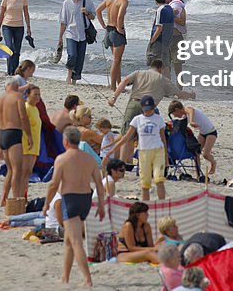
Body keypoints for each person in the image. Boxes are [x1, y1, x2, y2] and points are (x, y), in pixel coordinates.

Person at [42, 125, 105, 286]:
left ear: (65, 141)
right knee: (69, 242)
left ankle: (87, 279)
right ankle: (65, 276)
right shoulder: (89, 159)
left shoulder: (62, 159)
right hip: (86, 199)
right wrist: (101, 206)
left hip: (70, 200)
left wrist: (46, 204)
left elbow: (53, 184)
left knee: (76, 241)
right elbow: (99, 183)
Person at [110, 59, 195, 162]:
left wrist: (114, 97)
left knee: (127, 135)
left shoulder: (139, 73)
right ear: (160, 69)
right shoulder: (163, 79)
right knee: (146, 136)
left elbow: (124, 81)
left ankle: (124, 163)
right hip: (149, 110)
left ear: (151, 66)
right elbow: (179, 94)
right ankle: (138, 162)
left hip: (133, 104)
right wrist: (191, 95)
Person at [109, 95, 168, 201]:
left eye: (149, 110)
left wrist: (166, 157)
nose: (147, 112)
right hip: (144, 152)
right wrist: (113, 149)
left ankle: (161, 203)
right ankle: (145, 204)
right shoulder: (137, 119)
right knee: (145, 183)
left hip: (158, 151)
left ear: (153, 108)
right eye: (145, 110)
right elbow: (126, 137)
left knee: (159, 179)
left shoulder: (158, 119)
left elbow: (163, 139)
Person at [0, 77, 32, 208]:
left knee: (10, 170)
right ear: (16, 86)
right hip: (14, 132)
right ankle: (17, 200)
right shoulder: (18, 97)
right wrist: (29, 135)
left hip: (2, 135)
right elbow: (23, 117)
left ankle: (4, 199)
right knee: (17, 170)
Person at [96, 0, 130, 90]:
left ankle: (119, 83)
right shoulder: (123, 1)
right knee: (116, 61)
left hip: (109, 30)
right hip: (116, 31)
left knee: (117, 59)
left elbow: (98, 10)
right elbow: (120, 16)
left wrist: (103, 24)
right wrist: (120, 28)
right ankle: (113, 86)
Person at [57, 0, 94, 84]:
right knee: (72, 55)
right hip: (70, 33)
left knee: (80, 58)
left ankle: (74, 80)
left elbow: (93, 17)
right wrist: (60, 37)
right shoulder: (67, 3)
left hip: (83, 34)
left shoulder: (88, 2)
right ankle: (68, 75)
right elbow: (63, 22)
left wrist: (87, 12)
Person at [169, 100, 217, 176]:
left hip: (211, 133)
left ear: (177, 110)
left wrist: (191, 121)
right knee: (196, 153)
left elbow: (191, 110)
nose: (174, 116)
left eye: (174, 114)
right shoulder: (185, 116)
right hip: (202, 134)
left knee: (205, 154)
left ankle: (213, 163)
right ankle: (198, 173)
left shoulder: (187, 109)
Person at [0, 0, 32, 76]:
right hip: (7, 26)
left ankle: (15, 72)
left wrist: (29, 28)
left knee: (16, 50)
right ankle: (9, 71)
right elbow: (1, 14)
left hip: (19, 27)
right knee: (10, 48)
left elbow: (26, 14)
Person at [19, 85, 44, 191]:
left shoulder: (35, 108)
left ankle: (23, 195)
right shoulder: (26, 107)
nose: (38, 97)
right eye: (35, 94)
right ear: (28, 95)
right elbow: (22, 122)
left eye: (39, 95)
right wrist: (29, 137)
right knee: (24, 171)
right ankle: (20, 195)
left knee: (29, 172)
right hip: (27, 142)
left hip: (35, 143)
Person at [147, 0, 174, 68]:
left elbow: (159, 28)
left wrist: (152, 41)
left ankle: (155, 80)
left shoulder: (160, 10)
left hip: (159, 42)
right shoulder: (169, 8)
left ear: (155, 0)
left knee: (154, 65)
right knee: (165, 66)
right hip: (167, 41)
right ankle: (166, 80)